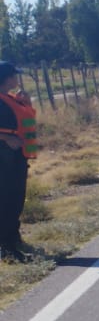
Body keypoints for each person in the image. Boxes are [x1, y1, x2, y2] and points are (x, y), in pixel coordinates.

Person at [0, 62, 39, 260]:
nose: (17, 79)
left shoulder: (12, 99)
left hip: (17, 156)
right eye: (15, 76)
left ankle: (13, 240)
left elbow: (28, 122)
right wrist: (6, 138)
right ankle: (6, 249)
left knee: (15, 200)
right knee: (6, 201)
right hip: (5, 157)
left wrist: (28, 104)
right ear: (7, 78)